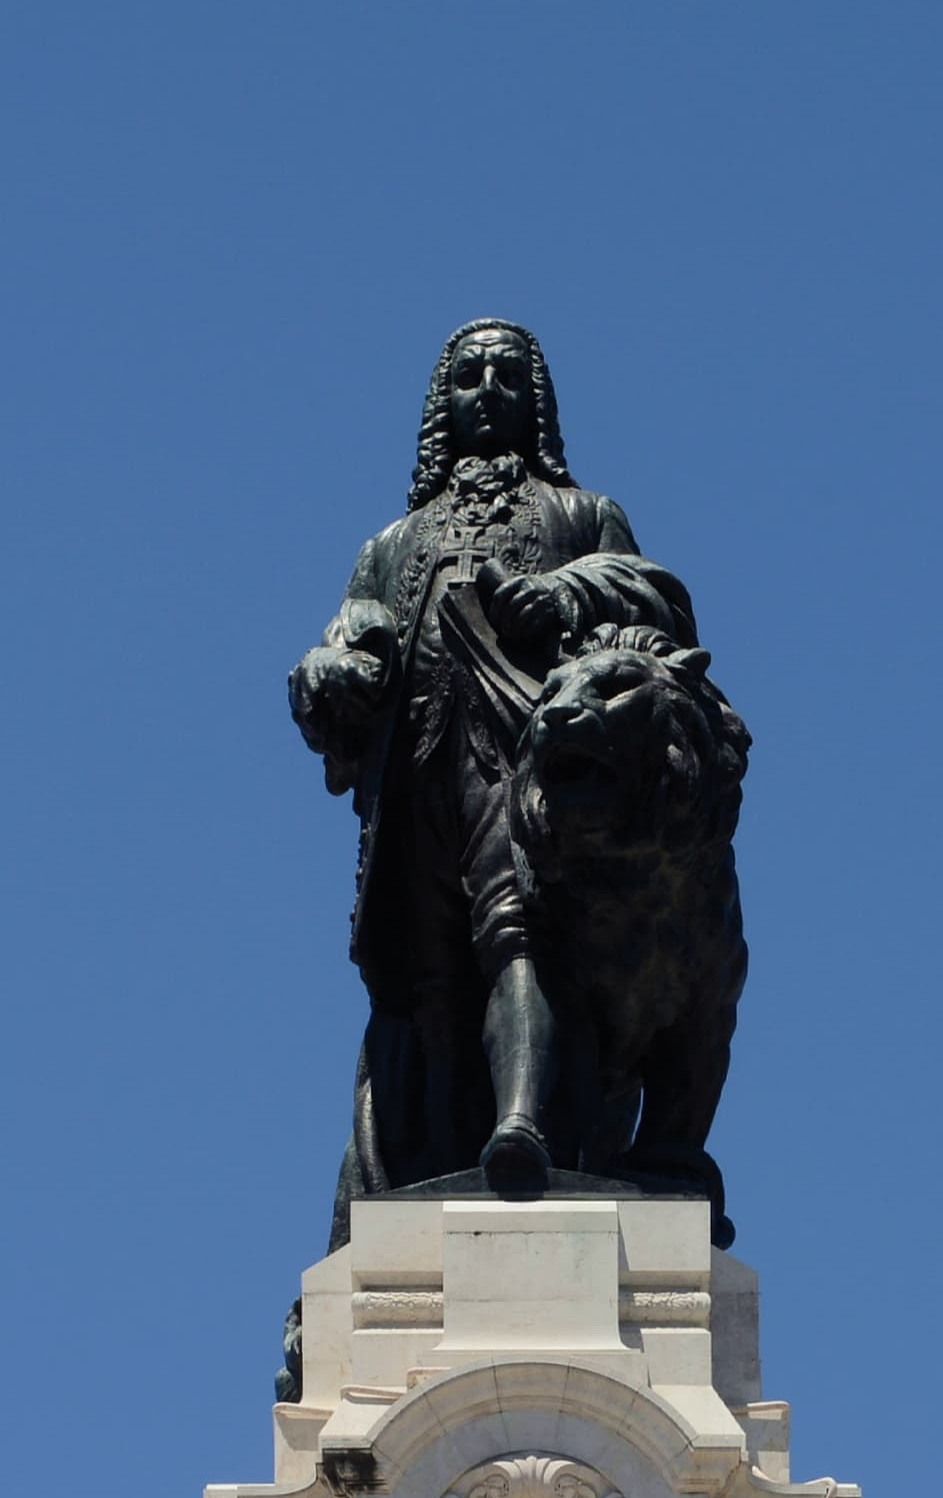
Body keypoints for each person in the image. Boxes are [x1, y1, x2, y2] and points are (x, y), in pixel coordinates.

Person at [290, 323, 706, 1218]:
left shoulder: (580, 516)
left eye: (507, 376)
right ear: (443, 407)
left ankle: (523, 1128)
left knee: (519, 930)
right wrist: (330, 673)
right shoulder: (394, 542)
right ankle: (440, 1157)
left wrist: (567, 592)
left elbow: (661, 603)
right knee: (431, 985)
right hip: (416, 779)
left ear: (536, 402)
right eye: (469, 376)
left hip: (526, 765)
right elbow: (351, 636)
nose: (487, 389)